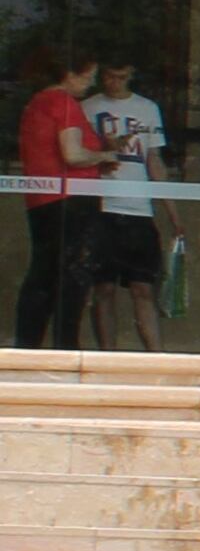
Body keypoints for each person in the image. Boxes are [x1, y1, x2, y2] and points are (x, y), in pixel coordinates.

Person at [79, 58, 165, 350]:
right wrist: (104, 151)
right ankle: (107, 356)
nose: (115, 83)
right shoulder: (88, 107)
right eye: (109, 77)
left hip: (138, 207)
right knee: (103, 287)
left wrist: (171, 210)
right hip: (102, 205)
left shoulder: (147, 108)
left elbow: (154, 159)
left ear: (131, 74)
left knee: (143, 287)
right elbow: (78, 155)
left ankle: (156, 357)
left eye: (121, 76)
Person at [12, 56, 96, 351]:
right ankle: (66, 348)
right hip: (69, 197)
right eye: (87, 77)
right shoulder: (63, 103)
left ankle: (28, 344)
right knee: (72, 275)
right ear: (70, 74)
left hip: (42, 200)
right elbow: (72, 154)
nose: (90, 84)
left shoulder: (36, 104)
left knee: (44, 273)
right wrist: (105, 157)